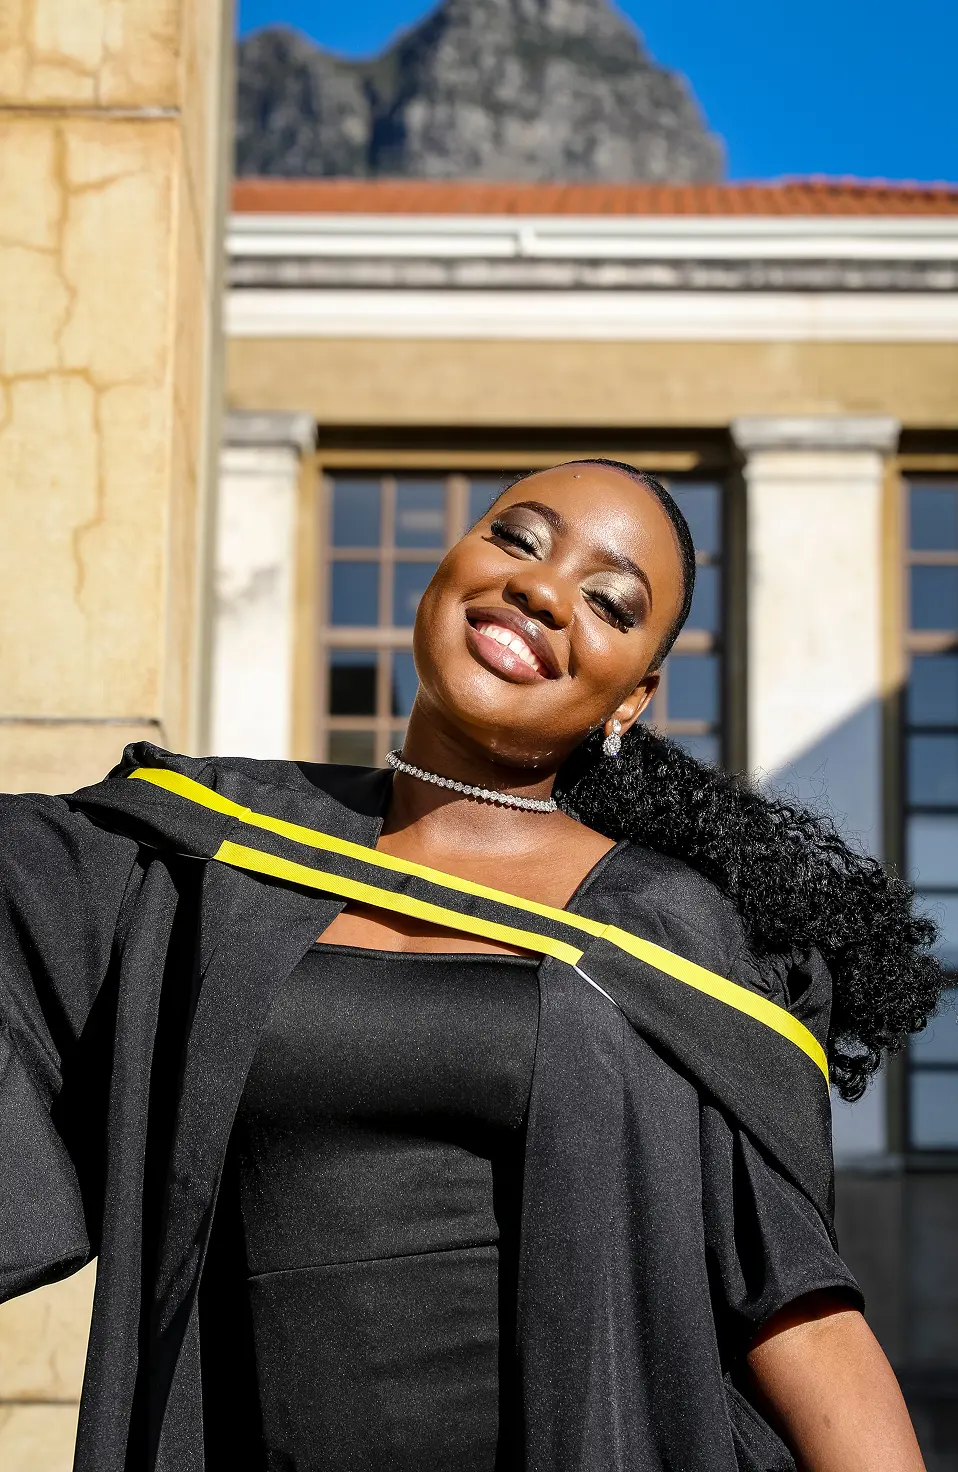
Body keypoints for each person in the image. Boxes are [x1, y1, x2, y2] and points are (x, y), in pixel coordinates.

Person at [0, 460, 943, 1472]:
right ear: (447, 565)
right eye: (517, 540)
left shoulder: (674, 938)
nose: (542, 589)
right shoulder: (205, 851)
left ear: (631, 701)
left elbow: (796, 1307)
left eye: (608, 602)